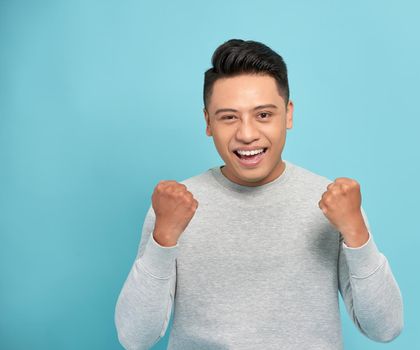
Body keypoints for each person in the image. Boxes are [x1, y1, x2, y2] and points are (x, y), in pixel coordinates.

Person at [115, 38, 403, 349]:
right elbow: (134, 338)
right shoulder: (176, 206)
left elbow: (385, 327)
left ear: (288, 115)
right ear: (208, 122)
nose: (247, 134)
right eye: (229, 117)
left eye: (263, 115)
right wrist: (164, 238)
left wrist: (356, 233)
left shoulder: (334, 203)